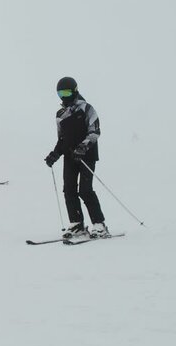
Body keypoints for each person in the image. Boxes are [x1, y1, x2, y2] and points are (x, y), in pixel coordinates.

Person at [44, 77, 109, 239]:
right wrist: (54, 154)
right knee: (69, 190)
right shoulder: (60, 114)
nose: (64, 96)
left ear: (74, 91)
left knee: (85, 190)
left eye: (66, 92)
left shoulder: (87, 108)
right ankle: (77, 224)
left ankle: (99, 224)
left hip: (86, 156)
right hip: (69, 156)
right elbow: (62, 139)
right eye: (60, 93)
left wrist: (83, 147)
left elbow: (95, 131)